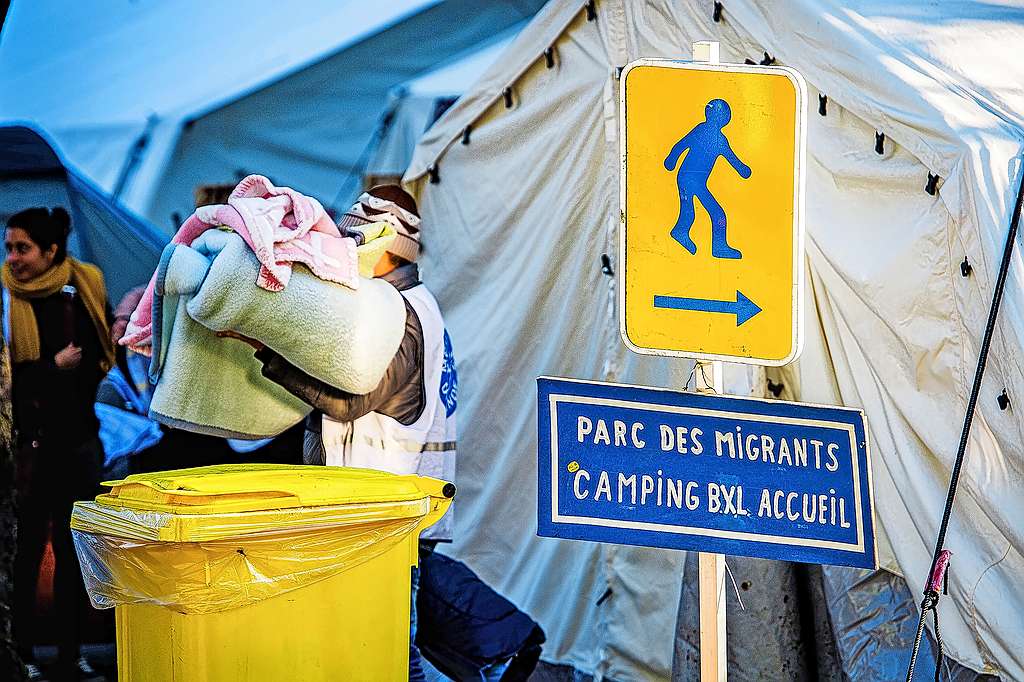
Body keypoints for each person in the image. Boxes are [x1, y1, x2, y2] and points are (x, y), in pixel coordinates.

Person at [241, 186, 542, 680]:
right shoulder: (403, 306)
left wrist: (268, 351)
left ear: (386, 246)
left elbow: (354, 400)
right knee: (378, 650)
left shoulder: (402, 316)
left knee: (391, 658)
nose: (343, 246)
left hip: (383, 517)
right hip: (387, 513)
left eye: (354, 235)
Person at [2, 207, 111, 681]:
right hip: (28, 446)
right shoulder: (7, 301)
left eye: (22, 248)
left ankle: (71, 654)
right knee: (24, 554)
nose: (13, 258)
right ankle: (22, 653)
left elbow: (101, 354)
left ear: (51, 251)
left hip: (77, 441)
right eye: (8, 248)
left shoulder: (85, 288)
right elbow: (8, 382)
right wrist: (51, 369)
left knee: (73, 554)